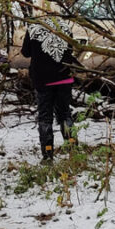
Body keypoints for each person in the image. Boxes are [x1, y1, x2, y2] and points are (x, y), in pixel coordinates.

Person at [21, 16, 81, 162]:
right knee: (65, 113)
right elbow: (70, 48)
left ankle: (48, 154)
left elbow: (26, 52)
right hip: (64, 76)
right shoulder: (65, 26)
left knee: (45, 116)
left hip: (43, 79)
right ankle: (73, 148)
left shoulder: (33, 27)